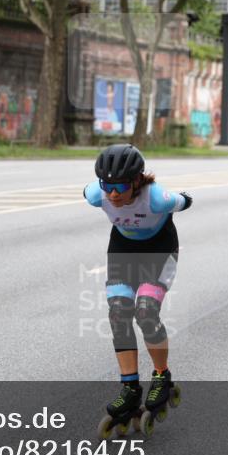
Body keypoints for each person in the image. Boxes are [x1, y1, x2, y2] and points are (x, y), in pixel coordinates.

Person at [83, 144, 193, 421]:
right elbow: (89, 191)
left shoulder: (157, 198)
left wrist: (185, 198)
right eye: (107, 185)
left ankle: (161, 377)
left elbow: (185, 200)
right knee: (119, 313)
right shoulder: (97, 195)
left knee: (145, 312)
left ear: (136, 180)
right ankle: (130, 388)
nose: (113, 194)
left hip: (159, 250)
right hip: (123, 248)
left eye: (120, 186)